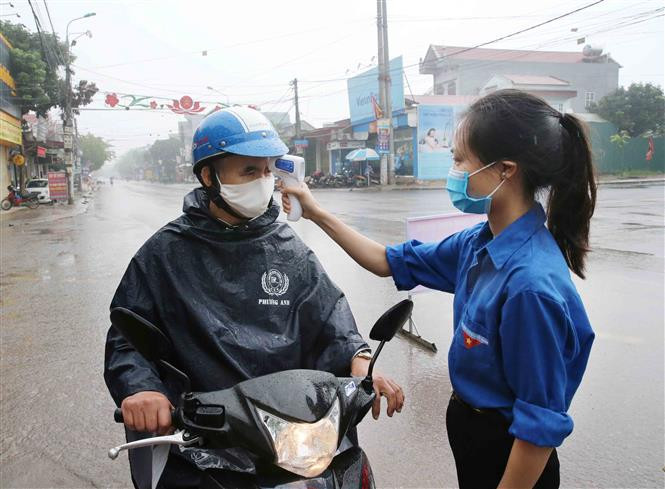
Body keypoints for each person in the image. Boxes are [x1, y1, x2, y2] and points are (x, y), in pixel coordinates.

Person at [281, 89, 596, 488]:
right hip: (473, 432)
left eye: (460, 159)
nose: (454, 170)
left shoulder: (530, 286)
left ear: (505, 171)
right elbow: (387, 261)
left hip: (510, 453)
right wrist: (314, 211)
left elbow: (538, 428)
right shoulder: (478, 244)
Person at [104, 106, 404, 488]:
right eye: (249, 171)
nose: (263, 180)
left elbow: (328, 316)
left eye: (266, 170)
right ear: (209, 176)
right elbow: (127, 339)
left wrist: (359, 359)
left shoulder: (287, 247)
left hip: (294, 436)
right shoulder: (163, 254)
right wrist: (142, 388)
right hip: (204, 440)